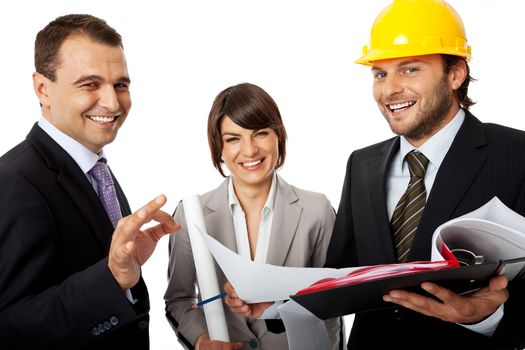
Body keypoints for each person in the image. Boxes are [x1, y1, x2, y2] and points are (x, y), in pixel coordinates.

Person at [324, 0, 525, 349]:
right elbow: (343, 274)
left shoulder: (515, 155)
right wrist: (276, 305)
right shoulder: (361, 165)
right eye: (380, 73)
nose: (389, 90)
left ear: (456, 74)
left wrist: (485, 317)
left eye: (410, 69)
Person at [0, 14, 179, 350]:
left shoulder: (95, 169)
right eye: (90, 84)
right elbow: (9, 328)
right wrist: (110, 279)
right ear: (43, 88)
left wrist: (125, 266)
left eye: (121, 85)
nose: (113, 103)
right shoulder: (14, 182)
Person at [164, 83, 342, 350]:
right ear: (219, 147)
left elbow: (331, 305)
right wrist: (201, 342)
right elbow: (179, 300)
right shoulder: (192, 215)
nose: (249, 151)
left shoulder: (317, 211)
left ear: (278, 136)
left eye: (260, 133)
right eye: (233, 138)